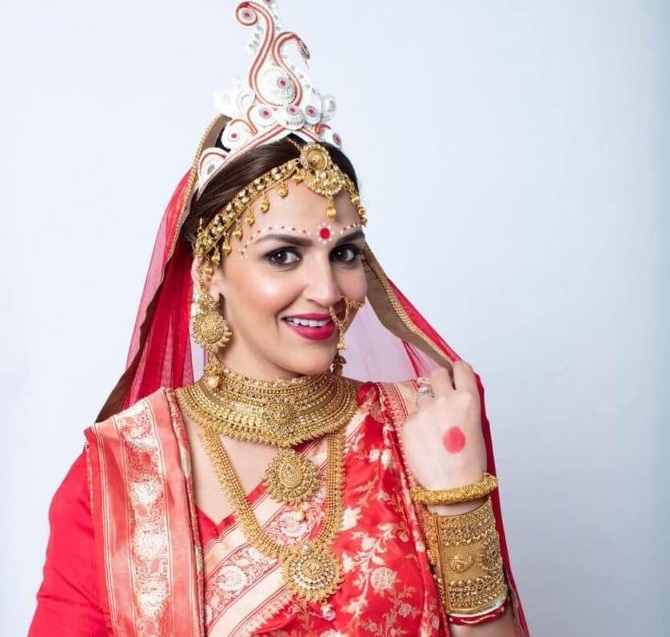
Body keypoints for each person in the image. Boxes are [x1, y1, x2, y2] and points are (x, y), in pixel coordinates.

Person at [28, 1, 529, 635]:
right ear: (209, 272)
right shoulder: (121, 475)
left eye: (344, 252)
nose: (326, 288)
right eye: (284, 254)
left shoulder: (423, 428)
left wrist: (459, 505)